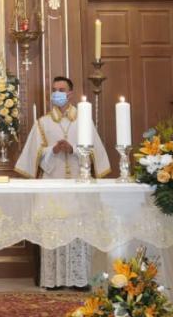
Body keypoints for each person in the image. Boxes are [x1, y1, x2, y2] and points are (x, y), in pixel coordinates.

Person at [15, 75, 111, 289]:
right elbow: (34, 154)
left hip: (78, 184)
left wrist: (74, 149)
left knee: (78, 230)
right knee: (53, 230)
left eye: (61, 89)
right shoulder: (43, 123)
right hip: (53, 185)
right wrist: (53, 150)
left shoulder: (84, 121)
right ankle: (53, 280)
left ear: (70, 93)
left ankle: (79, 279)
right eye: (54, 89)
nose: (57, 93)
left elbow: (95, 153)